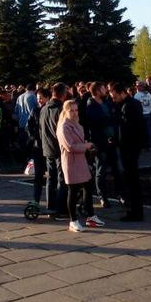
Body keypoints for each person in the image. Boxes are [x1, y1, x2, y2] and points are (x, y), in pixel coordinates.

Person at [57, 99, 103, 232]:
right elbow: (70, 146)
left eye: (76, 110)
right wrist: (86, 146)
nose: (74, 113)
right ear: (65, 111)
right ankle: (73, 221)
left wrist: (86, 145)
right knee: (73, 191)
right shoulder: (64, 127)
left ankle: (91, 216)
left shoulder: (76, 124)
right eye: (71, 110)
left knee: (88, 188)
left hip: (81, 160)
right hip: (71, 162)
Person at [110, 83, 144, 222]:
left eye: (114, 96)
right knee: (133, 179)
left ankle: (135, 211)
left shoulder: (127, 106)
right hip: (134, 146)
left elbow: (125, 130)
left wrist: (116, 141)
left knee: (131, 180)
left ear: (122, 93)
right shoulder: (134, 103)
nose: (113, 99)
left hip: (129, 148)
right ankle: (136, 210)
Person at [86, 82, 120, 208]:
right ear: (97, 91)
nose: (105, 90)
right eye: (103, 88)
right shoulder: (91, 105)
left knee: (116, 168)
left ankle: (120, 194)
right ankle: (103, 197)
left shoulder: (107, 102)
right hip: (100, 143)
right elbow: (96, 123)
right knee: (101, 170)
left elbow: (113, 117)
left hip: (112, 141)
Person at [41, 83, 69, 215]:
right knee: (61, 178)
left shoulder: (44, 108)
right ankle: (60, 208)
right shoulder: (61, 109)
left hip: (47, 147)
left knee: (51, 178)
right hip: (58, 148)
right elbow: (62, 131)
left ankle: (50, 205)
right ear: (63, 94)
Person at [133, 83, 151, 149]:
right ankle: (149, 145)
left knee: (141, 130)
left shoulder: (137, 95)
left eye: (138, 86)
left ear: (141, 87)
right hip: (147, 114)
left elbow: (135, 106)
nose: (137, 87)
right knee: (148, 130)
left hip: (141, 115)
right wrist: (148, 111)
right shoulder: (148, 94)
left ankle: (143, 145)